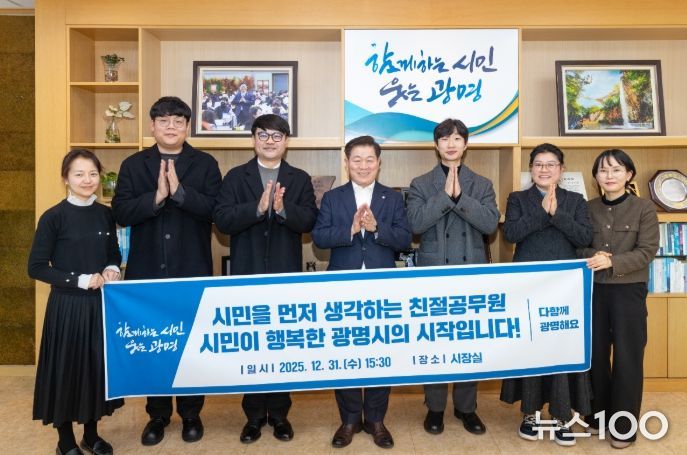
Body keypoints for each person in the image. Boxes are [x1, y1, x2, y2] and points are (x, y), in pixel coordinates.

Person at [111, 96, 222, 447]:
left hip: (192, 269)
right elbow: (121, 212)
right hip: (146, 273)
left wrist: (180, 193)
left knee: (190, 344)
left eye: (178, 121)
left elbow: (216, 211)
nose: (171, 127)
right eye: (163, 121)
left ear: (187, 127)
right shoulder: (133, 164)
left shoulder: (205, 164)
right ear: (152, 126)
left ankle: (191, 413)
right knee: (152, 345)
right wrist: (156, 197)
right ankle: (157, 415)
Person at [213, 113, 318, 444]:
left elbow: (309, 220)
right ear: (253, 139)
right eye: (263, 135)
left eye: (277, 136)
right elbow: (222, 220)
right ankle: (254, 416)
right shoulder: (236, 176)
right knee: (252, 346)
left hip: (286, 274)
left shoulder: (298, 178)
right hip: (247, 272)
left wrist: (283, 209)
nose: (270, 141)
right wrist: (257, 209)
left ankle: (281, 415)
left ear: (286, 142)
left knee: (281, 344)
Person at [311, 135, 412, 449]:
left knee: (382, 351)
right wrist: (351, 230)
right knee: (345, 352)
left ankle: (376, 419)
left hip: (383, 287)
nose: (363, 165)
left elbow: (405, 239)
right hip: (343, 285)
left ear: (379, 163)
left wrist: (377, 229)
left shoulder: (392, 197)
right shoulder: (333, 198)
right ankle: (350, 419)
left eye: (370, 160)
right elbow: (319, 238)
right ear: (347, 162)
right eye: (357, 159)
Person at [406, 118, 499, 436]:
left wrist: (461, 198)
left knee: (468, 342)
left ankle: (466, 408)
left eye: (457, 138)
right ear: (436, 145)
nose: (451, 143)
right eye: (445, 138)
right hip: (433, 274)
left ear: (466, 144)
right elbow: (415, 224)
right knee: (435, 342)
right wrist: (445, 196)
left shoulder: (482, 184)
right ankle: (434, 408)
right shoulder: (421, 183)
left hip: (471, 272)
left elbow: (490, 225)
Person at [29, 149, 123, 455]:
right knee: (66, 374)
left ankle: (91, 436)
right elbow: (36, 267)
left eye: (93, 173)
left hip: (99, 307)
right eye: (79, 174)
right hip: (67, 308)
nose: (87, 180)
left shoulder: (105, 213)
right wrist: (79, 279)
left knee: (95, 372)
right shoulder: (53, 217)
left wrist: (112, 268)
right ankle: (65, 442)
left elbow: (113, 252)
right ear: (66, 178)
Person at [499, 143, 594, 446]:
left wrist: (557, 214)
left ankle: (563, 415)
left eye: (551, 164)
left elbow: (584, 237)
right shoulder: (517, 199)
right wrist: (542, 212)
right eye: (538, 164)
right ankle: (531, 414)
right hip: (528, 287)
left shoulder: (576, 201)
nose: (544, 169)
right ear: (531, 169)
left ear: (561, 169)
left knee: (561, 351)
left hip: (565, 289)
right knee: (532, 349)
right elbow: (511, 234)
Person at [579, 149, 659, 449]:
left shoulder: (644, 208)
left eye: (615, 170)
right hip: (594, 290)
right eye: (603, 170)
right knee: (595, 357)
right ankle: (597, 419)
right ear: (596, 177)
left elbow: (647, 250)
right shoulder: (587, 208)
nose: (609, 176)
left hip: (629, 290)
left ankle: (624, 428)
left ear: (629, 174)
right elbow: (577, 245)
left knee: (628, 358)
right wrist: (593, 254)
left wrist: (613, 261)